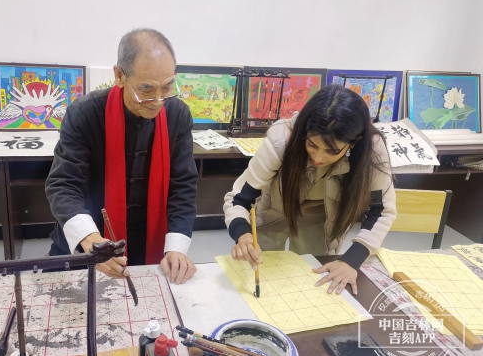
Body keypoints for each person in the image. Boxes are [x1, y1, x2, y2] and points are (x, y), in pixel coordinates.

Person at [46, 28, 198, 284]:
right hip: (88, 236)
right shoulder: (85, 114)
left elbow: (183, 186)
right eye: (146, 89)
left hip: (148, 242)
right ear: (119, 76)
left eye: (167, 86)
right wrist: (90, 240)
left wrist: (176, 247)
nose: (158, 100)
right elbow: (63, 185)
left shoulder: (178, 115)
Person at [223, 84, 396, 294]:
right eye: (312, 145)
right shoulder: (282, 139)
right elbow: (239, 199)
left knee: (311, 278)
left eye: (332, 150)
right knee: (260, 271)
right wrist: (243, 234)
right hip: (273, 211)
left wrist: (351, 261)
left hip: (322, 215)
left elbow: (381, 211)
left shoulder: (372, 150)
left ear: (353, 142)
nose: (318, 158)